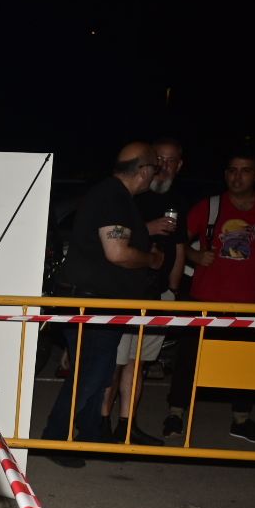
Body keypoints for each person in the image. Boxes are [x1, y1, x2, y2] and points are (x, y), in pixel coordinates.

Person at [39, 142, 165, 466]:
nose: (156, 174)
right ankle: (56, 436)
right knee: (91, 373)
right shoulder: (113, 197)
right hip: (91, 302)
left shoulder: (114, 196)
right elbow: (117, 253)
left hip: (97, 301)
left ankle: (92, 432)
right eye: (155, 168)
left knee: (100, 370)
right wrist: (150, 259)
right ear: (143, 170)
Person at [162, 152, 255, 443]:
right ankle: (175, 414)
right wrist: (196, 255)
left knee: (245, 364)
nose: (238, 177)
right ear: (225, 174)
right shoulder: (209, 206)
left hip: (250, 302)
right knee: (189, 359)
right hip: (204, 300)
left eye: (245, 170)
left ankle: (241, 420)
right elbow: (177, 239)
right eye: (232, 170)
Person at [103, 137, 188, 446]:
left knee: (139, 362)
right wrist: (147, 228)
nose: (163, 166)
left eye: (170, 160)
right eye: (158, 159)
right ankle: (100, 424)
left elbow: (179, 247)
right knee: (115, 362)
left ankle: (127, 427)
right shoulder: (130, 195)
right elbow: (115, 241)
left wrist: (174, 290)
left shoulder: (178, 199)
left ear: (179, 165)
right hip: (126, 293)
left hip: (157, 295)